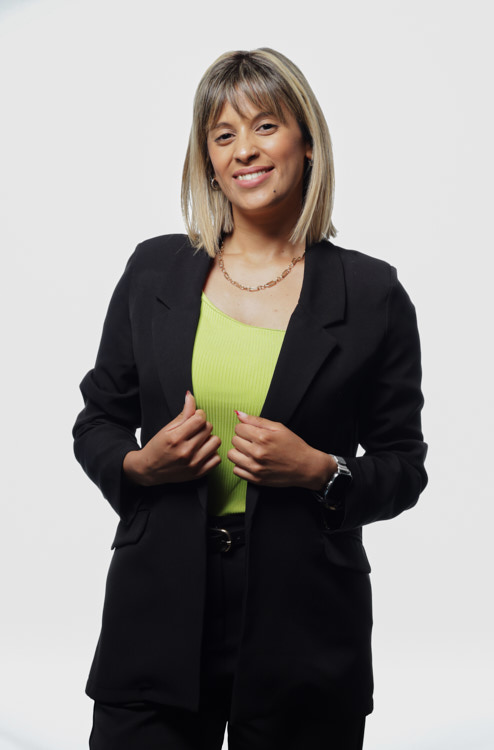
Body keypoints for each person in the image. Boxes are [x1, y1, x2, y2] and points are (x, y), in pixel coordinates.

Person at [73, 48, 427, 750]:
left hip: (305, 621)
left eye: (265, 126)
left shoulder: (373, 293)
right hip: (157, 608)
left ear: (306, 141)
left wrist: (320, 470)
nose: (245, 150)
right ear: (207, 160)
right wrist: (139, 467)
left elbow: (403, 465)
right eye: (223, 134)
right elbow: (99, 419)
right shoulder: (154, 270)